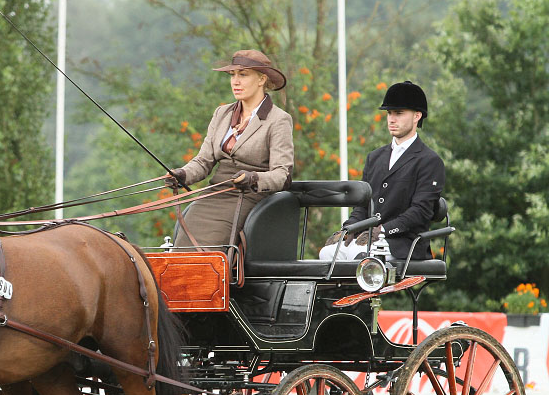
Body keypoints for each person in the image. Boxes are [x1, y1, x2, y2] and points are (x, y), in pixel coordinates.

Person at [167, 49, 294, 248]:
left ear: (261, 79)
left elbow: (282, 175)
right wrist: (181, 175)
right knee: (183, 242)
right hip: (215, 193)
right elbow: (203, 162)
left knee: (208, 246)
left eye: (243, 75)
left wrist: (253, 178)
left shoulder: (278, 120)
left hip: (249, 197)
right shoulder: (221, 113)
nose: (235, 81)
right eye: (232, 75)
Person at [320, 80, 445, 261]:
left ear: (417, 116)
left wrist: (383, 230)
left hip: (403, 242)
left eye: (399, 113)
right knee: (328, 253)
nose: (391, 119)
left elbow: (420, 211)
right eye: (389, 113)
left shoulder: (430, 161)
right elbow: (362, 206)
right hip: (368, 238)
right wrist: (348, 229)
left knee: (359, 256)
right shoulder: (374, 157)